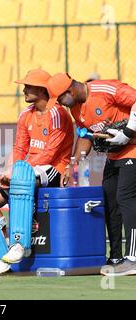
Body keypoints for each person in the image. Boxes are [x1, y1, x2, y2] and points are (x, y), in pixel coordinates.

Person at [0, 69, 74, 275]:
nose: (24, 90)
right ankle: (2, 251)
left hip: (53, 169)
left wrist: (18, 171)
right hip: (27, 168)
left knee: (20, 179)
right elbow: (20, 149)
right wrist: (8, 171)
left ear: (40, 90)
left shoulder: (58, 114)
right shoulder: (25, 115)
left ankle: (20, 244)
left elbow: (50, 154)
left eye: (28, 86)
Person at [47, 72, 136, 276]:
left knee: (126, 198)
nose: (60, 104)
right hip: (114, 156)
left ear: (70, 90)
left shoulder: (105, 90)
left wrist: (129, 132)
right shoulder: (75, 108)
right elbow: (85, 134)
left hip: (133, 149)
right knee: (110, 200)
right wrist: (73, 163)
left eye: (60, 98)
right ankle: (116, 257)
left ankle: (133, 258)